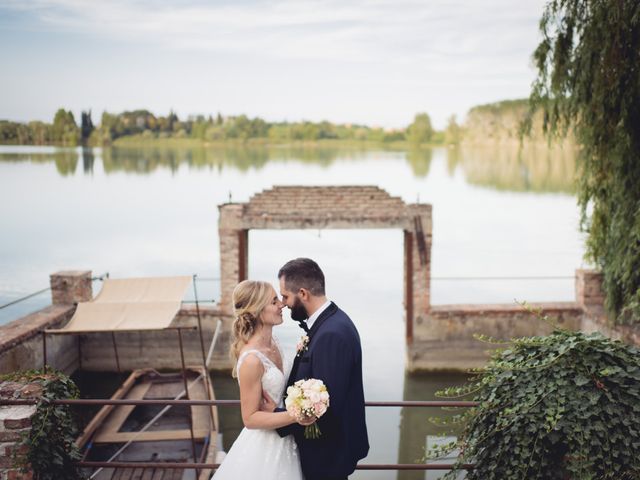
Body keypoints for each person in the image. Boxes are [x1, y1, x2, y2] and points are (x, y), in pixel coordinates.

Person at [274, 258, 369, 480]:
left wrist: (276, 420)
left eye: (286, 296)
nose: (284, 303)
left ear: (303, 293)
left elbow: (326, 407)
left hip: (326, 456)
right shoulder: (329, 322)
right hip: (326, 453)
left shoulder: (331, 334)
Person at [212, 280, 312, 480]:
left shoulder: (275, 343)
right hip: (264, 447)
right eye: (274, 301)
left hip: (287, 438)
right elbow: (250, 419)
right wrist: (297, 415)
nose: (282, 305)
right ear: (257, 310)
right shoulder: (251, 360)